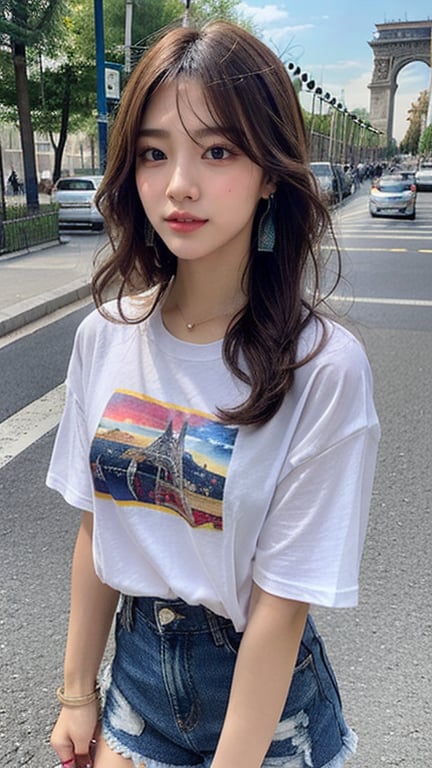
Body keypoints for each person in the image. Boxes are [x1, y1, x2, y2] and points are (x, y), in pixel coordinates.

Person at [47, 19, 380, 768]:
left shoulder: (323, 368)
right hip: (134, 681)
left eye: (218, 151)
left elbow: (282, 604)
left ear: (270, 172)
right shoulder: (105, 337)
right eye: (154, 153)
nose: (179, 185)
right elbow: (99, 531)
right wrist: (76, 692)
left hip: (265, 706)